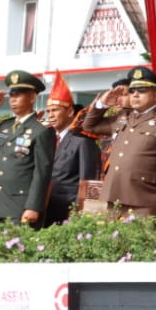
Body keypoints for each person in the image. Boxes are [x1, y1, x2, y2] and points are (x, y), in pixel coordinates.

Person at [81, 66, 156, 217]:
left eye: (142, 90)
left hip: (143, 199)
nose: (135, 95)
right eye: (132, 91)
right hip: (114, 195)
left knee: (138, 239)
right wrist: (101, 104)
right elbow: (89, 126)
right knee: (111, 240)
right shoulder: (122, 117)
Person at [0, 70, 56, 225]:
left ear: (33, 97)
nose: (13, 100)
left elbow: (42, 173)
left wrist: (33, 206)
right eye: (12, 96)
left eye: (19, 95)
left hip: (21, 206)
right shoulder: (5, 126)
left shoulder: (41, 130)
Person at [42, 91, 103, 225]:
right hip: (44, 209)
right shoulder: (47, 138)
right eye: (48, 111)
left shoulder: (82, 141)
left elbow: (88, 180)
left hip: (68, 212)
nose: (50, 115)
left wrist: (80, 211)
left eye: (55, 110)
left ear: (70, 112)